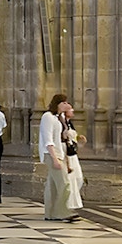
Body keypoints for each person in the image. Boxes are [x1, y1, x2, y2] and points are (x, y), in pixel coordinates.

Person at [39, 94, 79, 222]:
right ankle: (62, 212)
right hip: (52, 154)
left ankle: (50, 213)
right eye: (64, 102)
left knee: (53, 186)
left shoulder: (57, 118)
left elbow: (60, 139)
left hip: (59, 153)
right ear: (58, 103)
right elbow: (48, 139)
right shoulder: (48, 117)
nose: (67, 105)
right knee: (64, 184)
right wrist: (55, 159)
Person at [60, 103, 85, 213]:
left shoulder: (70, 123)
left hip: (73, 154)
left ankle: (71, 203)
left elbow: (73, 137)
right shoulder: (61, 123)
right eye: (71, 109)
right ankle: (68, 206)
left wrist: (79, 138)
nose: (73, 111)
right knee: (70, 180)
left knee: (79, 178)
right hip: (67, 154)